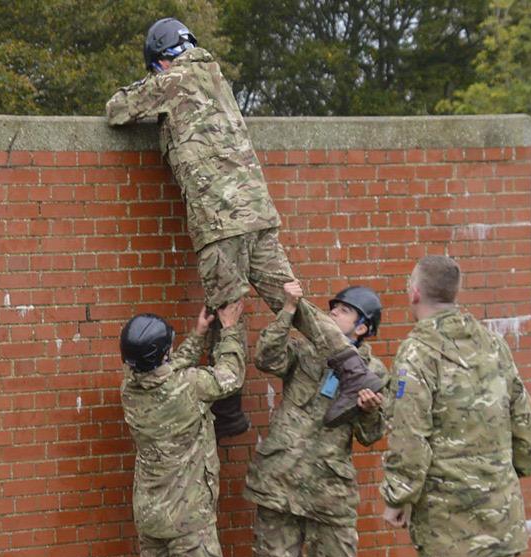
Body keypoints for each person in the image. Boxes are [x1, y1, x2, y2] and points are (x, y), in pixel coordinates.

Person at [106, 17, 384, 439]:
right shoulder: (216, 75)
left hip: (220, 221)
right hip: (257, 214)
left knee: (225, 306)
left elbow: (117, 110)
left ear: (159, 60)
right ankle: (354, 371)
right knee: (294, 305)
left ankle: (229, 411)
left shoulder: (173, 78)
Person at [380, 255, 531, 557]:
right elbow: (524, 417)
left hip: (446, 513)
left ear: (415, 293)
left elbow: (409, 433)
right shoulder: (493, 343)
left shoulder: (418, 352)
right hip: (498, 504)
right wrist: (516, 468)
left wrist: (399, 495)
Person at [244, 281, 387, 557]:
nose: (333, 312)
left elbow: (371, 436)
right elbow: (266, 358)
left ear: (362, 327)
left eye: (344, 310)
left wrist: (369, 411)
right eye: (332, 307)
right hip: (278, 483)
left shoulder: (375, 373)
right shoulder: (306, 351)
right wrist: (289, 310)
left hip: (329, 494)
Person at [120, 301, 245, 557]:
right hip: (187, 518)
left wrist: (198, 335)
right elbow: (230, 375)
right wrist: (230, 329)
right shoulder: (190, 386)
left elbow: (166, 370)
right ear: (163, 353)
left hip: (150, 517)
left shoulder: (130, 388)